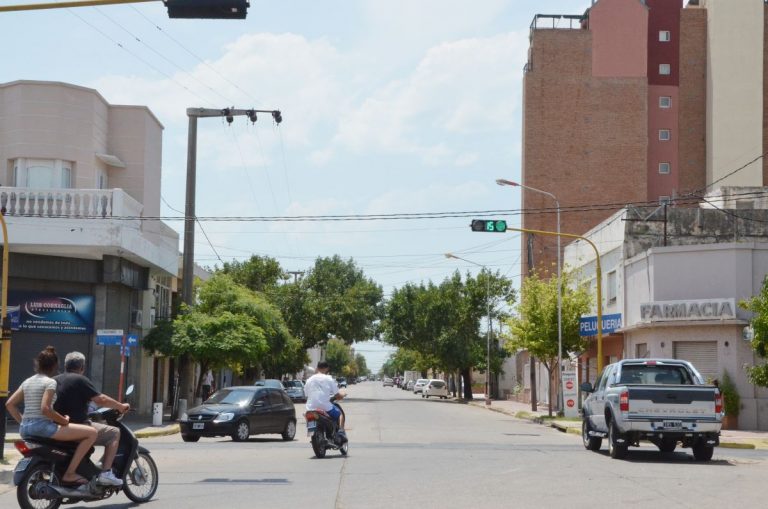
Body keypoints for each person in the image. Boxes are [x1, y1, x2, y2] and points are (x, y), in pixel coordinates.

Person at [5, 346, 97, 486]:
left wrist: (23, 421)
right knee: (91, 433)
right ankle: (70, 473)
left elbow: (10, 404)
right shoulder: (50, 382)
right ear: (55, 366)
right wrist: (64, 421)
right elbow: (46, 409)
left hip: (24, 429)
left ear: (37, 363)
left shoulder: (27, 381)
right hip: (43, 427)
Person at [54, 351, 129, 487]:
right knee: (114, 433)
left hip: (57, 427)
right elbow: (101, 399)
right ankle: (106, 473)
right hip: (77, 427)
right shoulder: (80, 380)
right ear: (82, 367)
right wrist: (120, 406)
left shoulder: (55, 380)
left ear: (65, 366)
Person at [304, 361, 346, 442]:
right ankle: (341, 432)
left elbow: (306, 394)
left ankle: (314, 432)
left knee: (310, 418)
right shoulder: (328, 378)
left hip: (310, 408)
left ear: (317, 367)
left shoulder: (309, 380)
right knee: (340, 415)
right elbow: (337, 395)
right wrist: (343, 395)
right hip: (325, 407)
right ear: (326, 368)